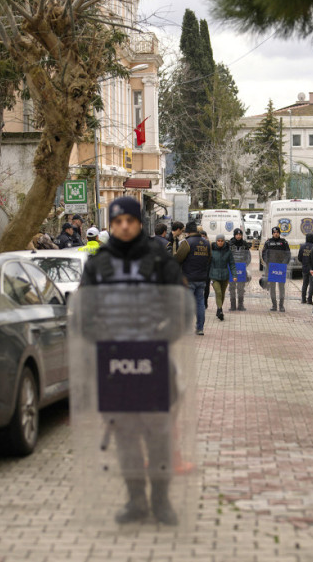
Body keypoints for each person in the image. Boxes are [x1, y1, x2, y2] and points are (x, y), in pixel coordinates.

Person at [79, 196, 185, 525]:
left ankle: (161, 502)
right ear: (111, 225)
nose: (124, 225)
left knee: (158, 435)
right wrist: (105, 342)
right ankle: (136, 501)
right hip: (115, 364)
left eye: (130, 220)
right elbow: (84, 314)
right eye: (118, 221)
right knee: (125, 436)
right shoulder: (97, 264)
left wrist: (162, 338)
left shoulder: (159, 257)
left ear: (139, 223)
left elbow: (180, 308)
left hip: (154, 360)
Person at [175, 221, 211, 335]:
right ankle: (200, 328)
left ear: (188, 232)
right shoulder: (206, 243)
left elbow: (178, 258)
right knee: (200, 303)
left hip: (188, 278)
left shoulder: (187, 243)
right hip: (202, 278)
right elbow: (209, 259)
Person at [209, 235, 238, 321]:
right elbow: (207, 263)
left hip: (225, 276)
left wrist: (234, 275)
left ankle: (218, 309)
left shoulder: (228, 252)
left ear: (224, 241)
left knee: (222, 293)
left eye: (222, 241)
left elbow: (232, 264)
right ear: (216, 241)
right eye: (218, 241)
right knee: (218, 292)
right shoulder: (212, 251)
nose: (220, 242)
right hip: (214, 275)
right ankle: (220, 310)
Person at [261, 227, 290, 312]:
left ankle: (281, 305)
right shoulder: (268, 242)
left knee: (281, 287)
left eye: (277, 232)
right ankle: (274, 305)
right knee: (272, 287)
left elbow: (288, 254)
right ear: (272, 233)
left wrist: (284, 263)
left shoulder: (284, 242)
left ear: (279, 233)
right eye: (274, 232)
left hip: (281, 267)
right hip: (271, 267)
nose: (276, 234)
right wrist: (268, 262)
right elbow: (264, 254)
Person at [227, 228, 251, 311]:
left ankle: (240, 305)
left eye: (240, 235)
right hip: (232, 269)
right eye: (237, 234)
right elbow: (227, 256)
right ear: (234, 235)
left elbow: (248, 256)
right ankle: (232, 305)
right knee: (232, 288)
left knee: (241, 288)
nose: (238, 236)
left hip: (241, 269)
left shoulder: (244, 244)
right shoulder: (230, 244)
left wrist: (245, 265)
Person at [297, 233, 313, 304]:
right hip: (312, 268)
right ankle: (310, 299)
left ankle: (303, 299)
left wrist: (304, 262)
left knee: (305, 284)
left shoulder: (302, 246)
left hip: (304, 267)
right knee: (312, 284)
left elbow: (299, 257)